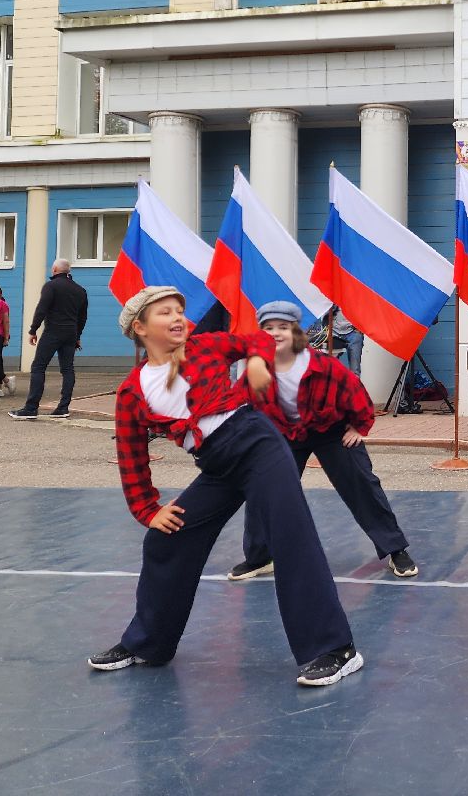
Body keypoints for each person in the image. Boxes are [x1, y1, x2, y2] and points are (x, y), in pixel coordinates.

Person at [87, 286, 363, 688]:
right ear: (140, 328)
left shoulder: (206, 346)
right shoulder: (132, 390)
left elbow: (258, 339)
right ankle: (149, 644)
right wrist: (148, 510)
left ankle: (335, 650)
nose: (178, 317)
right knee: (166, 540)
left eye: (180, 310)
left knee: (289, 534)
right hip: (217, 465)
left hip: (256, 443)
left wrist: (255, 360)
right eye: (165, 312)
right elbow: (132, 457)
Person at [227, 301, 419, 583]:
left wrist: (359, 427)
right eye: (269, 328)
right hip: (287, 433)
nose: (276, 333)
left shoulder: (322, 365)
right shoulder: (257, 370)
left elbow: (357, 394)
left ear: (296, 331)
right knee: (263, 487)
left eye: (283, 327)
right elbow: (238, 405)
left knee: (362, 484)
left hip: (331, 430)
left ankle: (395, 549)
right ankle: (260, 556)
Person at [9, 258, 88, 420]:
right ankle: (63, 407)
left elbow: (42, 309)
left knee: (38, 366)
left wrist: (33, 330)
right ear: (68, 271)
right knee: (67, 369)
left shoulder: (51, 286)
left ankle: (31, 408)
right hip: (71, 333)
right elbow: (83, 317)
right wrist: (78, 336)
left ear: (54, 270)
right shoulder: (80, 290)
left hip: (53, 331)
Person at [329, 306, 363, 376]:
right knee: (331, 368)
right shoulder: (334, 296)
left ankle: (354, 386)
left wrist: (360, 327)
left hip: (353, 332)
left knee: (355, 370)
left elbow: (366, 309)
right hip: (334, 332)